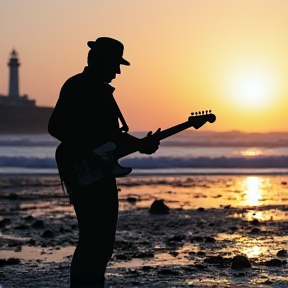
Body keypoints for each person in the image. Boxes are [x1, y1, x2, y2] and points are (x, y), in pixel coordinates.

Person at [48, 37, 160, 288]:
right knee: (93, 239)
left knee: (101, 241)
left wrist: (140, 143)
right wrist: (90, 156)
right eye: (115, 64)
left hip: (100, 174)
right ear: (101, 61)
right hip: (89, 174)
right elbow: (55, 127)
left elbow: (110, 138)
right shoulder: (78, 86)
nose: (118, 71)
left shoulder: (100, 91)